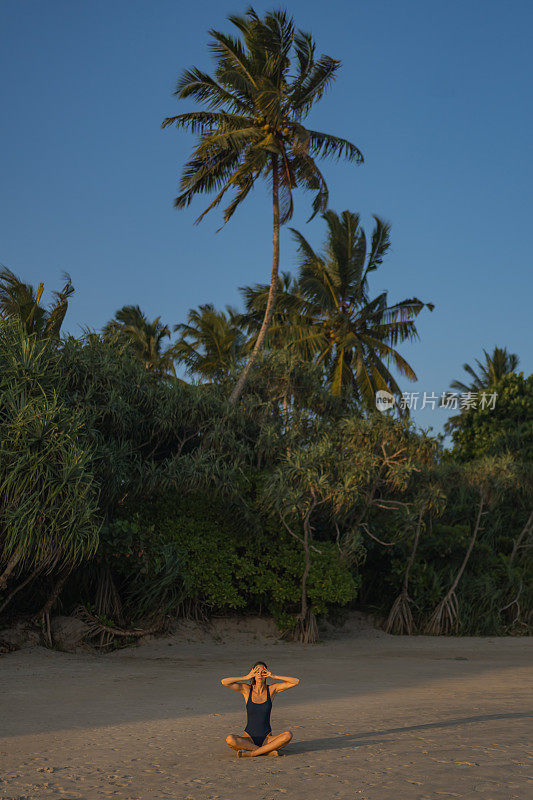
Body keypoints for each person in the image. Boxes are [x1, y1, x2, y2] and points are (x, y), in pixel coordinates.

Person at [221, 661, 299, 757]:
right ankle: (266, 751)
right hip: (249, 739)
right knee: (230, 739)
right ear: (253, 674)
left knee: (288, 735)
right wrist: (246, 677)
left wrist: (274, 676)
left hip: (267, 738)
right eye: (257, 671)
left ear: (266, 674)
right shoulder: (247, 690)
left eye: (263, 672)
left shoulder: (271, 690)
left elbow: (296, 681)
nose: (260, 674)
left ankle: (253, 753)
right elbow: (224, 682)